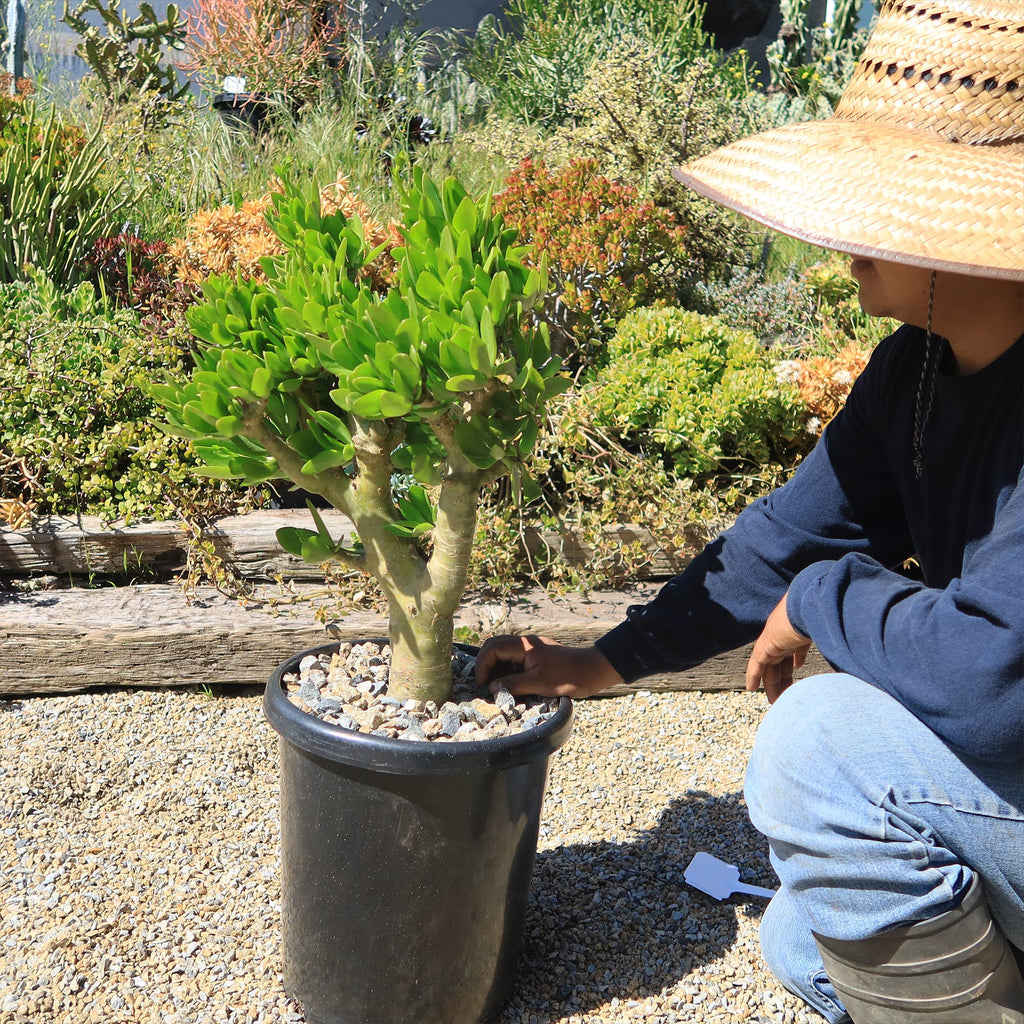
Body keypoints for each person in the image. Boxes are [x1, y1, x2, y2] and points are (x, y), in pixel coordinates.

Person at [475, 2, 1024, 1021]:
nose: (842, 238)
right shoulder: (916, 371)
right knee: (803, 934)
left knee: (815, 747)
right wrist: (602, 661)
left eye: (879, 203)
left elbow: (993, 677)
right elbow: (785, 541)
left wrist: (825, 599)